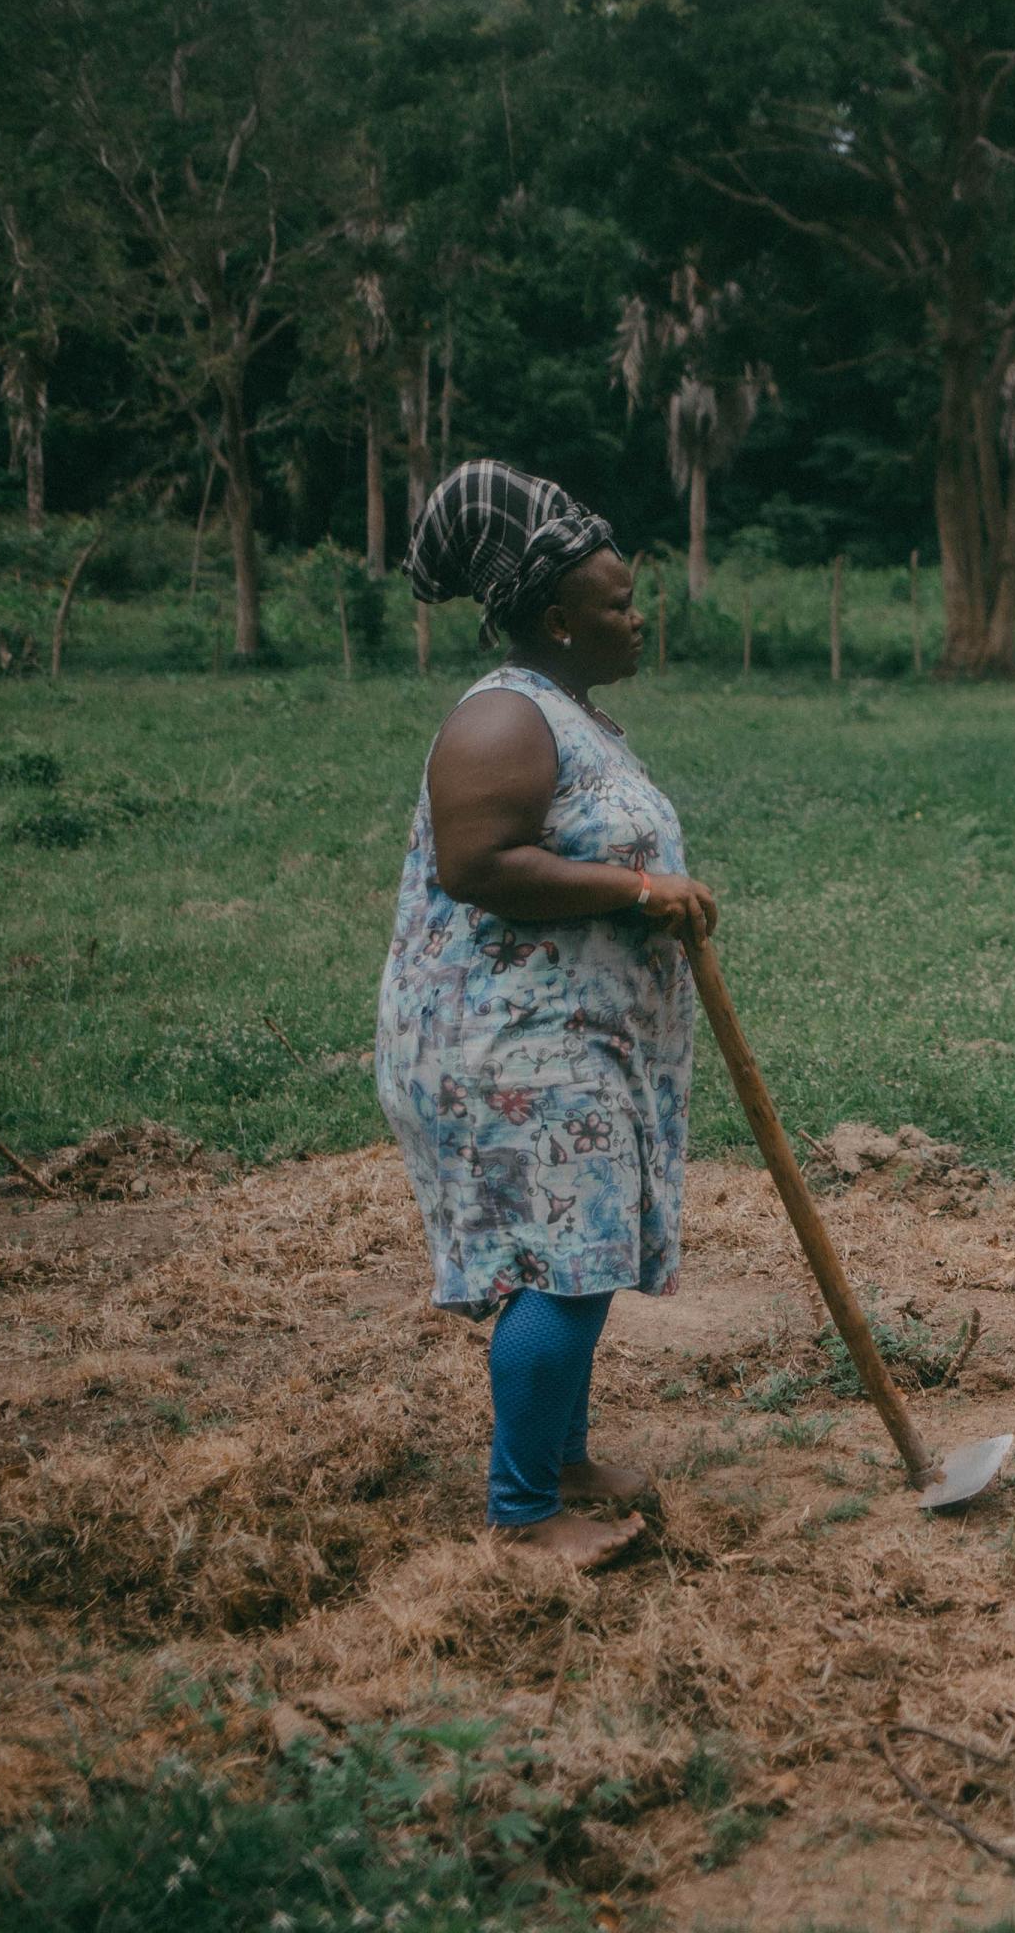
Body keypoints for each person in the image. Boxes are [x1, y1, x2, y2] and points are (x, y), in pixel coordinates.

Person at [376, 460, 719, 1569]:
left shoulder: (571, 714)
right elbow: (480, 863)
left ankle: (563, 1458)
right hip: (507, 1048)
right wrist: (639, 891)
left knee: (587, 1254)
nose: (636, 620)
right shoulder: (501, 719)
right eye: (618, 605)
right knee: (561, 1269)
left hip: (579, 1044)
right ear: (560, 620)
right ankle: (523, 1516)